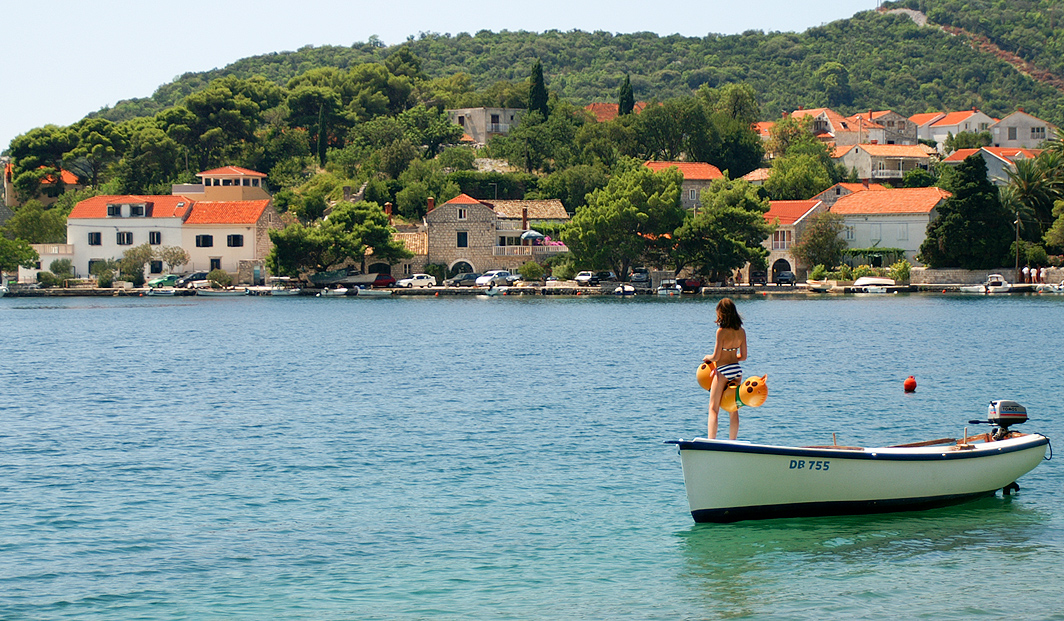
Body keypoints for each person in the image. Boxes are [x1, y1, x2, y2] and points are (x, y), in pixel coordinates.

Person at [703, 298, 748, 440]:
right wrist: (732, 356)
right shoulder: (741, 331)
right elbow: (743, 356)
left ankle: (711, 440)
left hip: (723, 370)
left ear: (721, 314)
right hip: (737, 370)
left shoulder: (721, 332)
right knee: (733, 409)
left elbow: (716, 357)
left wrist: (708, 357)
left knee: (713, 408)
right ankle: (733, 441)